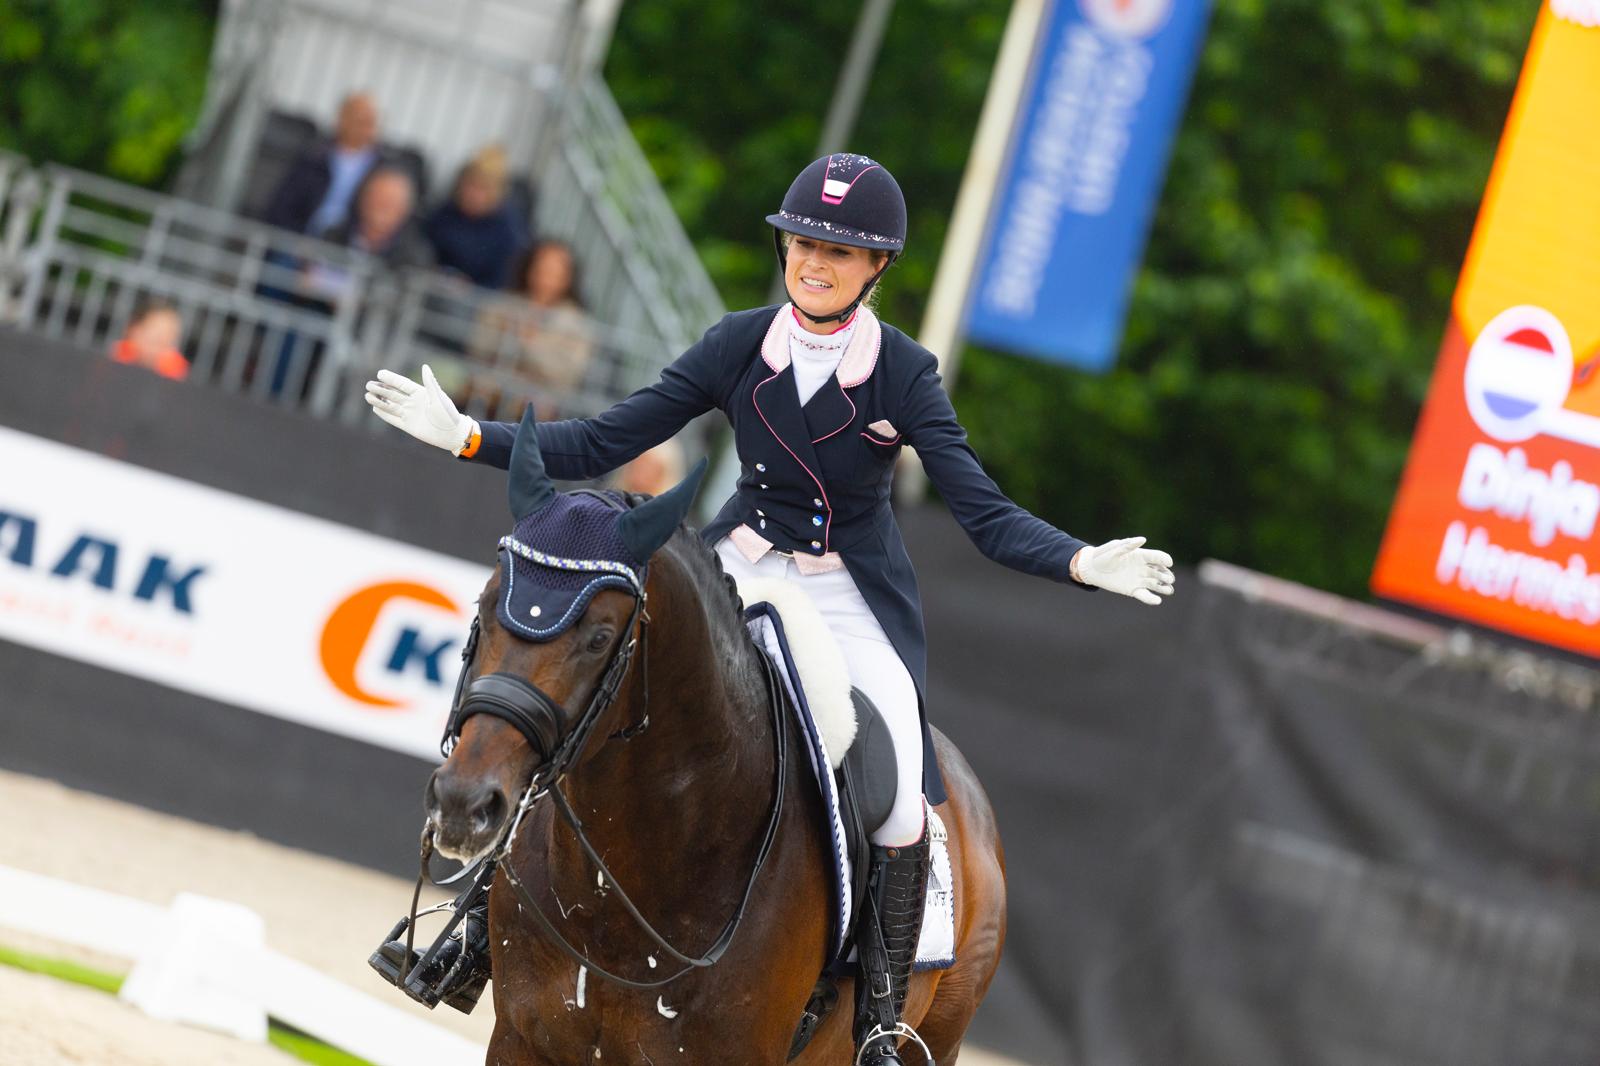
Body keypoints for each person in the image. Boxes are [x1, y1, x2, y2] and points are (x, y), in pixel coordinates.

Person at [364, 154, 1175, 1062]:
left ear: (876, 266)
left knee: (902, 798)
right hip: (733, 568)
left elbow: (983, 514)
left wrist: (1080, 560)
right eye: (803, 243)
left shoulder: (903, 373)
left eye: (840, 251)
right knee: (590, 709)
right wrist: (470, 435)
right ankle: (475, 934)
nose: (815, 262)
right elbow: (605, 436)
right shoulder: (741, 341)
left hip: (845, 593)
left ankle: (878, 1020)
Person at [462, 240, 593, 416]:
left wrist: (533, 344)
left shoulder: (575, 324)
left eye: (554, 271)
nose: (546, 277)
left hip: (541, 397)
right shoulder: (504, 305)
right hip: (494, 384)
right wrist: (505, 335)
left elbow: (568, 375)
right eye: (542, 267)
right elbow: (479, 346)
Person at [264, 91, 387, 236]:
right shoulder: (313, 156)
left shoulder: (382, 171)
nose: (364, 129)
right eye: (359, 121)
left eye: (369, 122)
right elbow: (283, 205)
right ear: (342, 119)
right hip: (301, 236)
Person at [423, 144, 528, 290]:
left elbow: (500, 281)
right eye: (470, 185)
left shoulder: (508, 232)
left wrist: (469, 289)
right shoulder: (445, 212)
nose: (473, 195)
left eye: (482, 189)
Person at [110, 298, 188, 381]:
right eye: (156, 332)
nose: (163, 340)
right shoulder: (114, 357)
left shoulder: (177, 374)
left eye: (170, 334)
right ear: (134, 329)